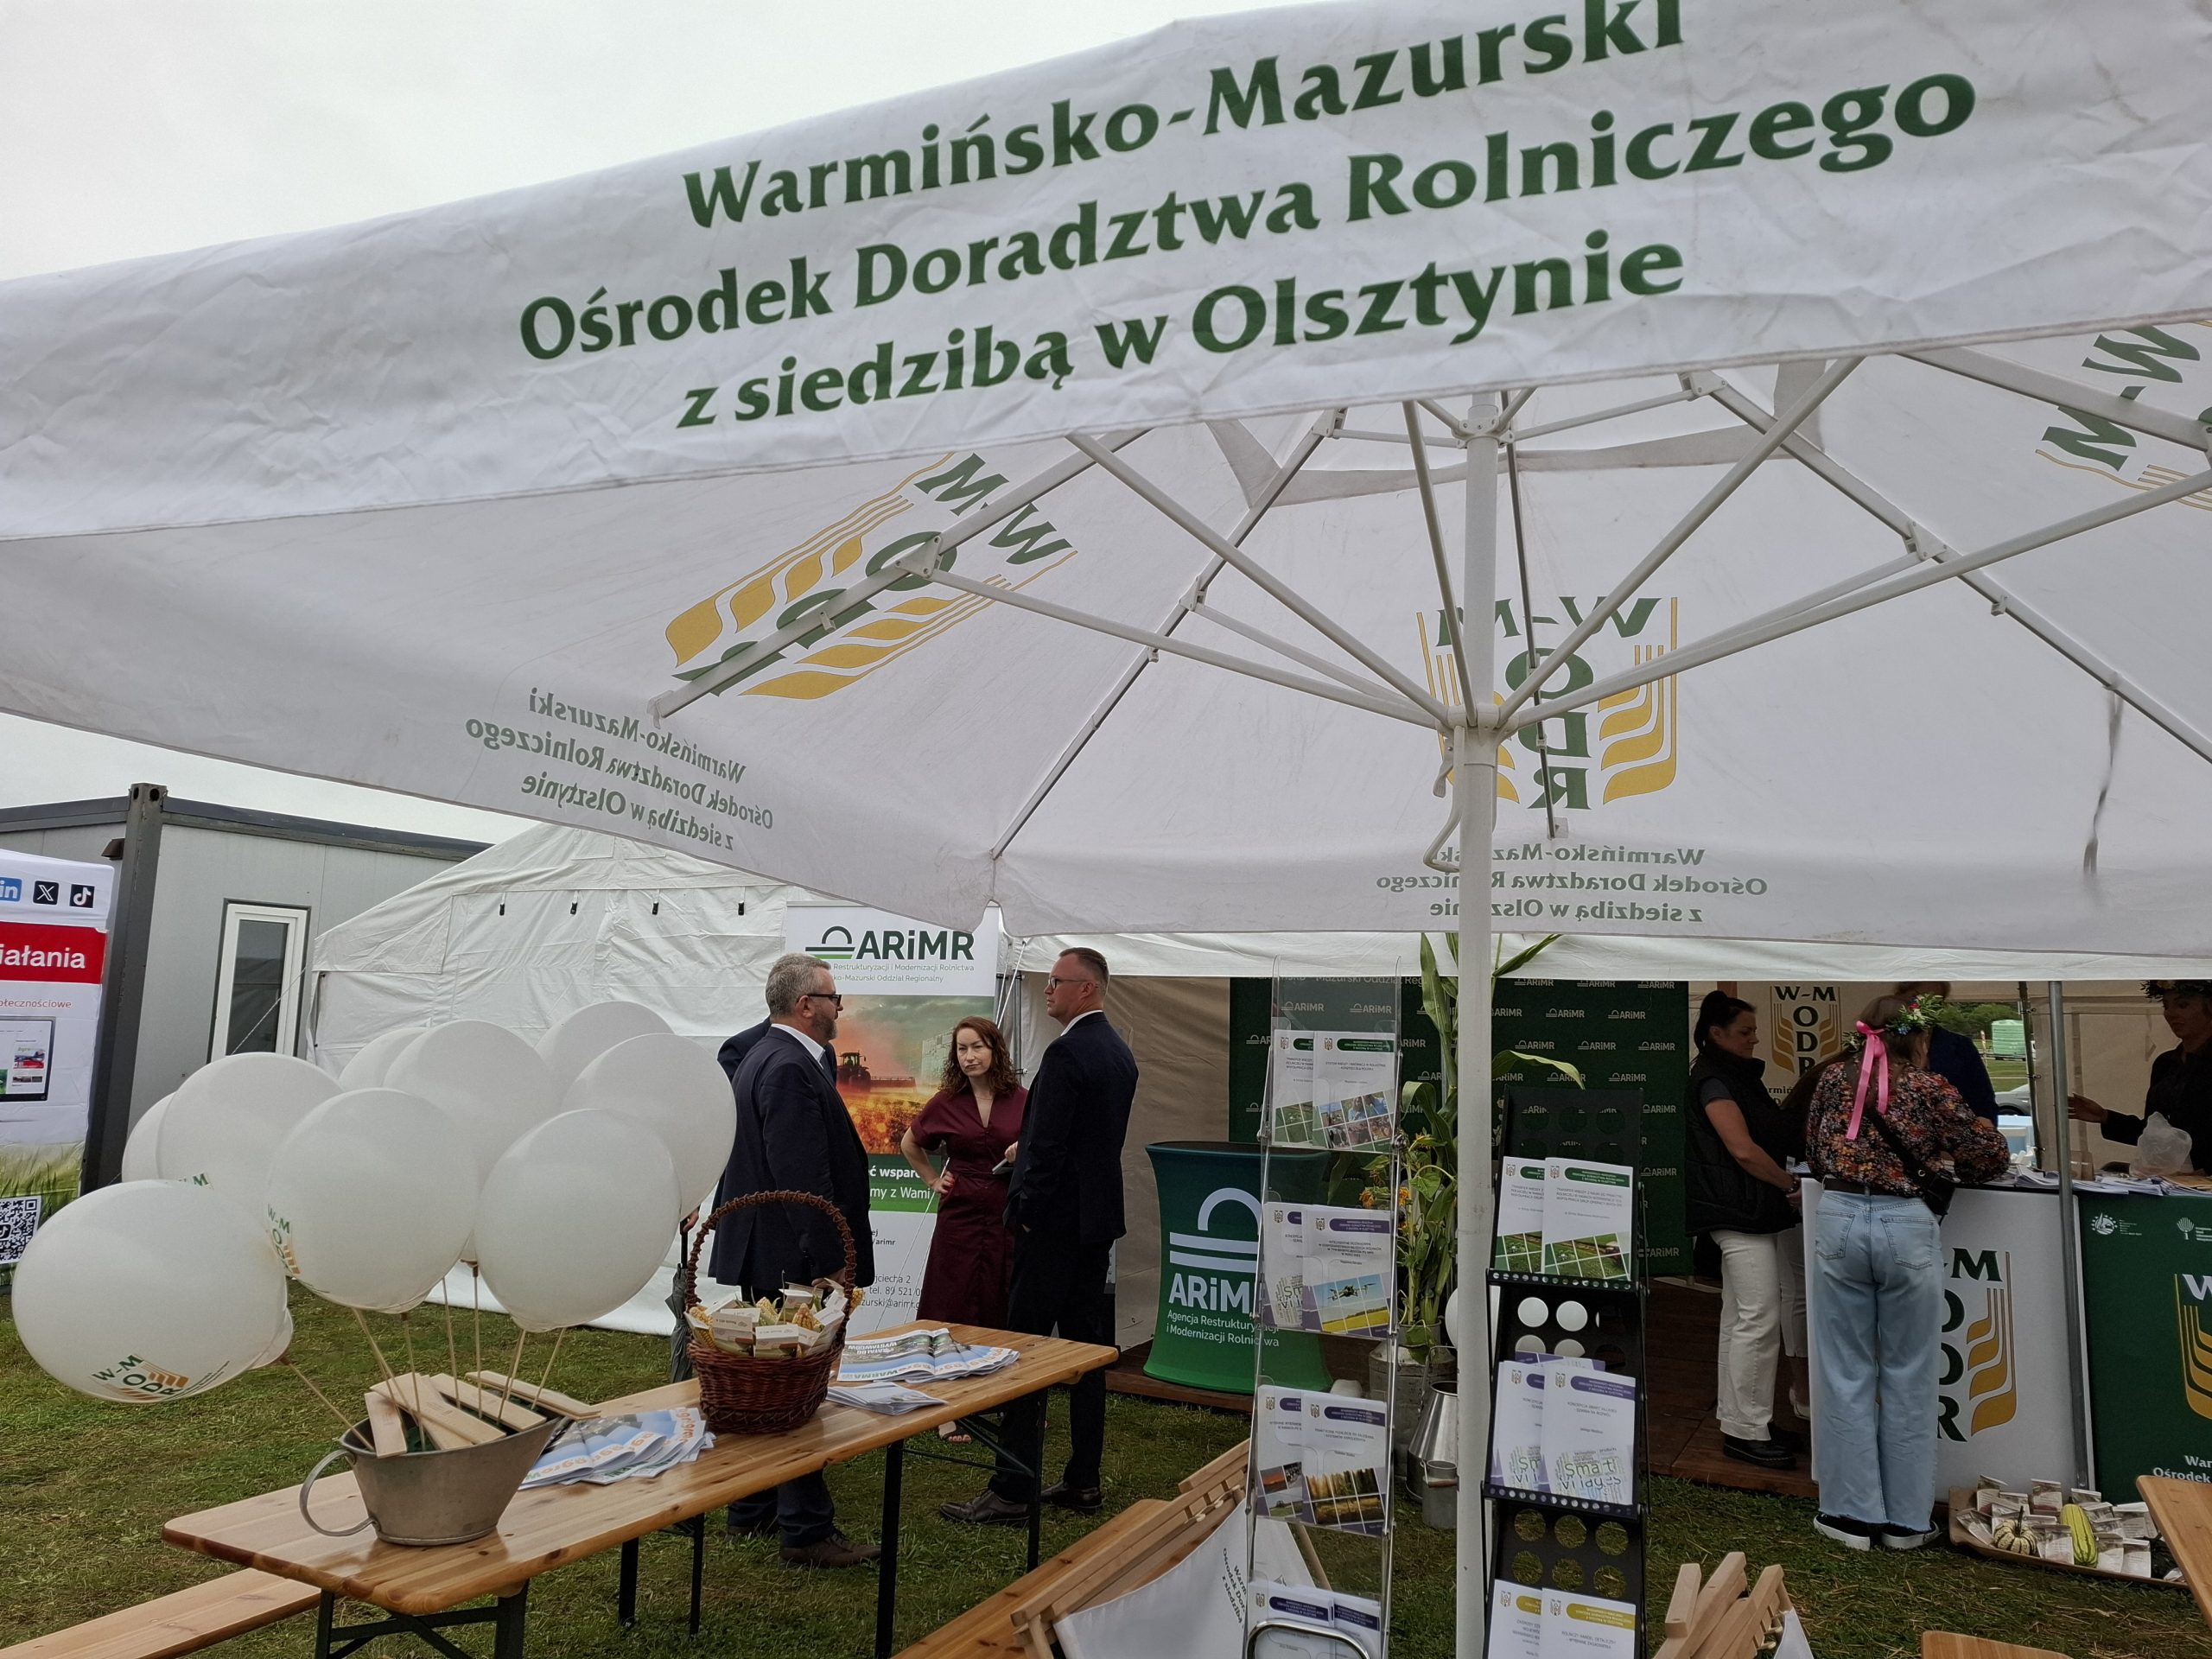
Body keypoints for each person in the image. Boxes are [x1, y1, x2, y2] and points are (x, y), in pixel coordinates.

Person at [1806, 993, 2009, 1552]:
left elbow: (1815, 1151)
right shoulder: (1930, 1087)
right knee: (1910, 1373)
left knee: (1844, 1370)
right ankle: (1906, 1520)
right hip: (1905, 1223)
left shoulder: (1832, 1081)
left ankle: (1850, 1515)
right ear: (1919, 1038)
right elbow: (1990, 1155)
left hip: (1840, 1214)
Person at [941, 948, 1137, 1525]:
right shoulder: (1118, 1050)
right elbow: (1086, 1140)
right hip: (1094, 1221)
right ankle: (1083, 1480)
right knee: (1087, 1352)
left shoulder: (1068, 1051)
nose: (1047, 989)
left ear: (1086, 989)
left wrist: (1026, 1208)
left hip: (1052, 1225)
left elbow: (1049, 1147)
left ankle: (1011, 1488)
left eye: (1056, 981)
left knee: (1024, 1350)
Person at [709, 952, 879, 1568]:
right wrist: (829, 1260)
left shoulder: (769, 1055)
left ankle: (752, 1507)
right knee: (794, 1390)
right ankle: (805, 1530)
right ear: (806, 1005)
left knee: (768, 1386)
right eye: (834, 998)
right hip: (789, 1254)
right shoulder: (785, 1065)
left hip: (772, 1246)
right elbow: (800, 1176)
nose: (840, 1008)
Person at [1683, 991, 1807, 1471]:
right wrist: (1789, 1184)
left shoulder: (1728, 1076)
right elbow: (1743, 1150)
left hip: (1745, 1211)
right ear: (1716, 1033)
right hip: (1738, 1212)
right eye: (1745, 1032)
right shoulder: (1715, 1080)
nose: (1755, 1039)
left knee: (1740, 1318)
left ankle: (1743, 1421)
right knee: (1758, 1317)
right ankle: (1746, 1429)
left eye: (1755, 1031)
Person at [900, 1016, 1027, 1444]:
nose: (969, 1056)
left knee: (1001, 1297)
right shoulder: (946, 1102)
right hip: (960, 1215)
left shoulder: (1022, 1100)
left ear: (995, 1049)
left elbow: (1045, 1148)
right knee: (949, 1300)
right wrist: (932, 1179)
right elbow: (909, 1143)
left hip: (1006, 1212)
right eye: (961, 1049)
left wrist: (1023, 1151)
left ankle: (1007, 1398)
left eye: (977, 1047)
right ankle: (947, 1407)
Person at [2068, 980, 2212, 1173]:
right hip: (2169, 1177)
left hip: (2202, 1180)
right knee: (2109, 1170)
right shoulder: (2166, 1063)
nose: (2171, 1014)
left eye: (2182, 1005)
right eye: (2166, 1006)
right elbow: (2155, 1132)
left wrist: (2205, 1171)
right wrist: (2105, 1117)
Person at [1894, 981, 1999, 1122]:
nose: (1926, 1005)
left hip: (1957, 1130)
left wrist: (1983, 1129)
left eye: (1936, 1001)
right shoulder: (1882, 1045)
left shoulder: (1961, 1046)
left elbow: (1984, 1101)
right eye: (1917, 997)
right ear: (1899, 998)